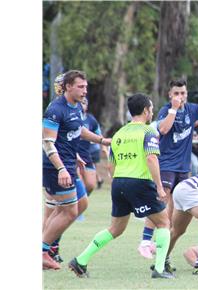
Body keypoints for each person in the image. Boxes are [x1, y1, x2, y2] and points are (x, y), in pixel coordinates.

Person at [68, 93, 174, 279]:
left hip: (118, 183)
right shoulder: (148, 131)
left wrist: (120, 182)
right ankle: (159, 270)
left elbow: (110, 166)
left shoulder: (119, 134)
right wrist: (158, 186)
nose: (152, 112)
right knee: (164, 222)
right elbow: (151, 158)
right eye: (151, 109)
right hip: (139, 182)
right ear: (145, 110)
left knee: (115, 229)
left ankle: (81, 261)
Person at [137, 78, 198, 266]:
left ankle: (162, 256)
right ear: (170, 94)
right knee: (160, 201)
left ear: (187, 94)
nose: (180, 97)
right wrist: (174, 109)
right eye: (176, 93)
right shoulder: (166, 110)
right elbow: (164, 129)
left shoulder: (192, 109)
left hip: (184, 170)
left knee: (173, 217)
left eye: (183, 93)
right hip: (166, 165)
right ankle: (145, 240)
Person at [42, 70, 111, 270]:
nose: (85, 91)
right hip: (55, 167)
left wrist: (101, 140)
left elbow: (77, 131)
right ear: (68, 86)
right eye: (80, 87)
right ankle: (44, 250)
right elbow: (47, 143)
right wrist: (62, 168)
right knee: (69, 211)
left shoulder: (77, 107)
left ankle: (47, 247)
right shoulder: (55, 109)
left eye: (86, 87)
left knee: (80, 203)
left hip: (69, 163)